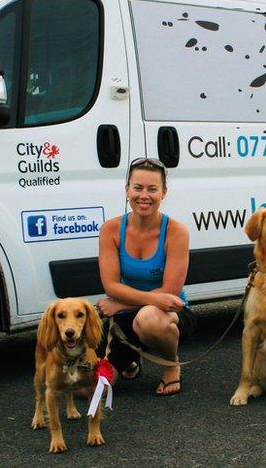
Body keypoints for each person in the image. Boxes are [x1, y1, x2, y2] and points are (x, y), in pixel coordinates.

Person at [97, 157, 195, 396]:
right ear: (127, 190)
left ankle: (171, 365)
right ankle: (130, 360)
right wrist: (121, 303)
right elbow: (110, 285)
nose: (144, 195)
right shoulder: (110, 230)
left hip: (168, 315)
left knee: (149, 317)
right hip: (125, 316)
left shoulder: (177, 232)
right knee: (90, 389)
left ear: (164, 193)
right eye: (138, 188)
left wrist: (120, 303)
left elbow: (169, 291)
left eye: (153, 189)